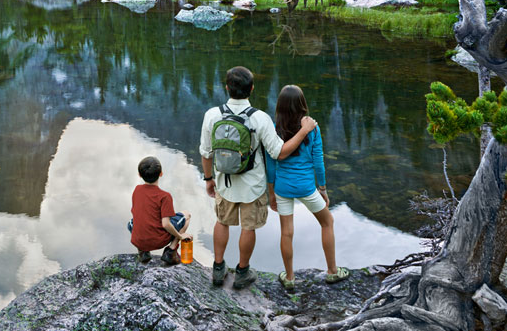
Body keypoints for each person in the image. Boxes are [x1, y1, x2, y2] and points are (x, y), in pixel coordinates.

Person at [200, 66, 316, 290]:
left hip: (225, 182)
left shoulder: (212, 115)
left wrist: (208, 179)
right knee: (248, 227)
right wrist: (303, 132)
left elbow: (206, 152)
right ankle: (242, 272)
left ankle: (217, 268)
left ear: (227, 88)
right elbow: (279, 152)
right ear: (252, 89)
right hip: (252, 186)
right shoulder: (260, 118)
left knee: (222, 221)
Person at [266, 84, 348, 288]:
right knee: (327, 222)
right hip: (306, 187)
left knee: (286, 232)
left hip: (283, 187)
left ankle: (290, 277)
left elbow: (270, 165)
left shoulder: (275, 129)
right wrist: (322, 189)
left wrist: (271, 193)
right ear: (302, 104)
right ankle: (332, 271)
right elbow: (318, 161)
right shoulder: (312, 128)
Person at [129, 156, 191, 265]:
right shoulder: (164, 196)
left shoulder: (137, 190)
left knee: (131, 223)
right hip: (159, 240)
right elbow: (166, 224)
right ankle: (171, 251)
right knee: (186, 215)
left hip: (138, 240)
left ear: (139, 175)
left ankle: (143, 252)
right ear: (161, 173)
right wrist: (181, 236)